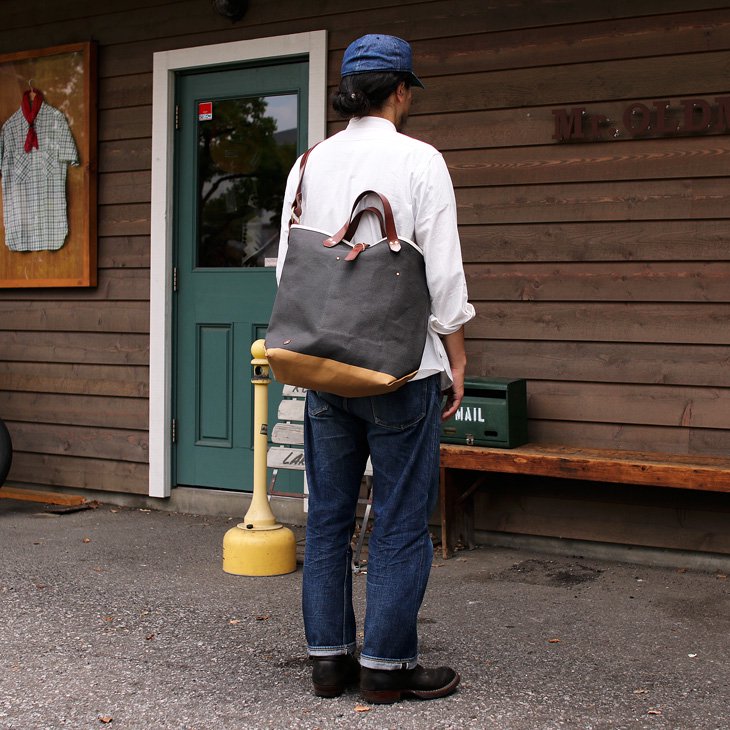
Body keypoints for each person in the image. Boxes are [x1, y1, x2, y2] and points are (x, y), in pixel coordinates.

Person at [276, 34, 475, 704]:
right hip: (401, 370)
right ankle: (386, 668)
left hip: (327, 369)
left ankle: (329, 661)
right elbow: (443, 273)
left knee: (328, 516)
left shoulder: (307, 163)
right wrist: (457, 352)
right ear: (399, 90)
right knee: (397, 519)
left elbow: (288, 268)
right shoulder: (421, 161)